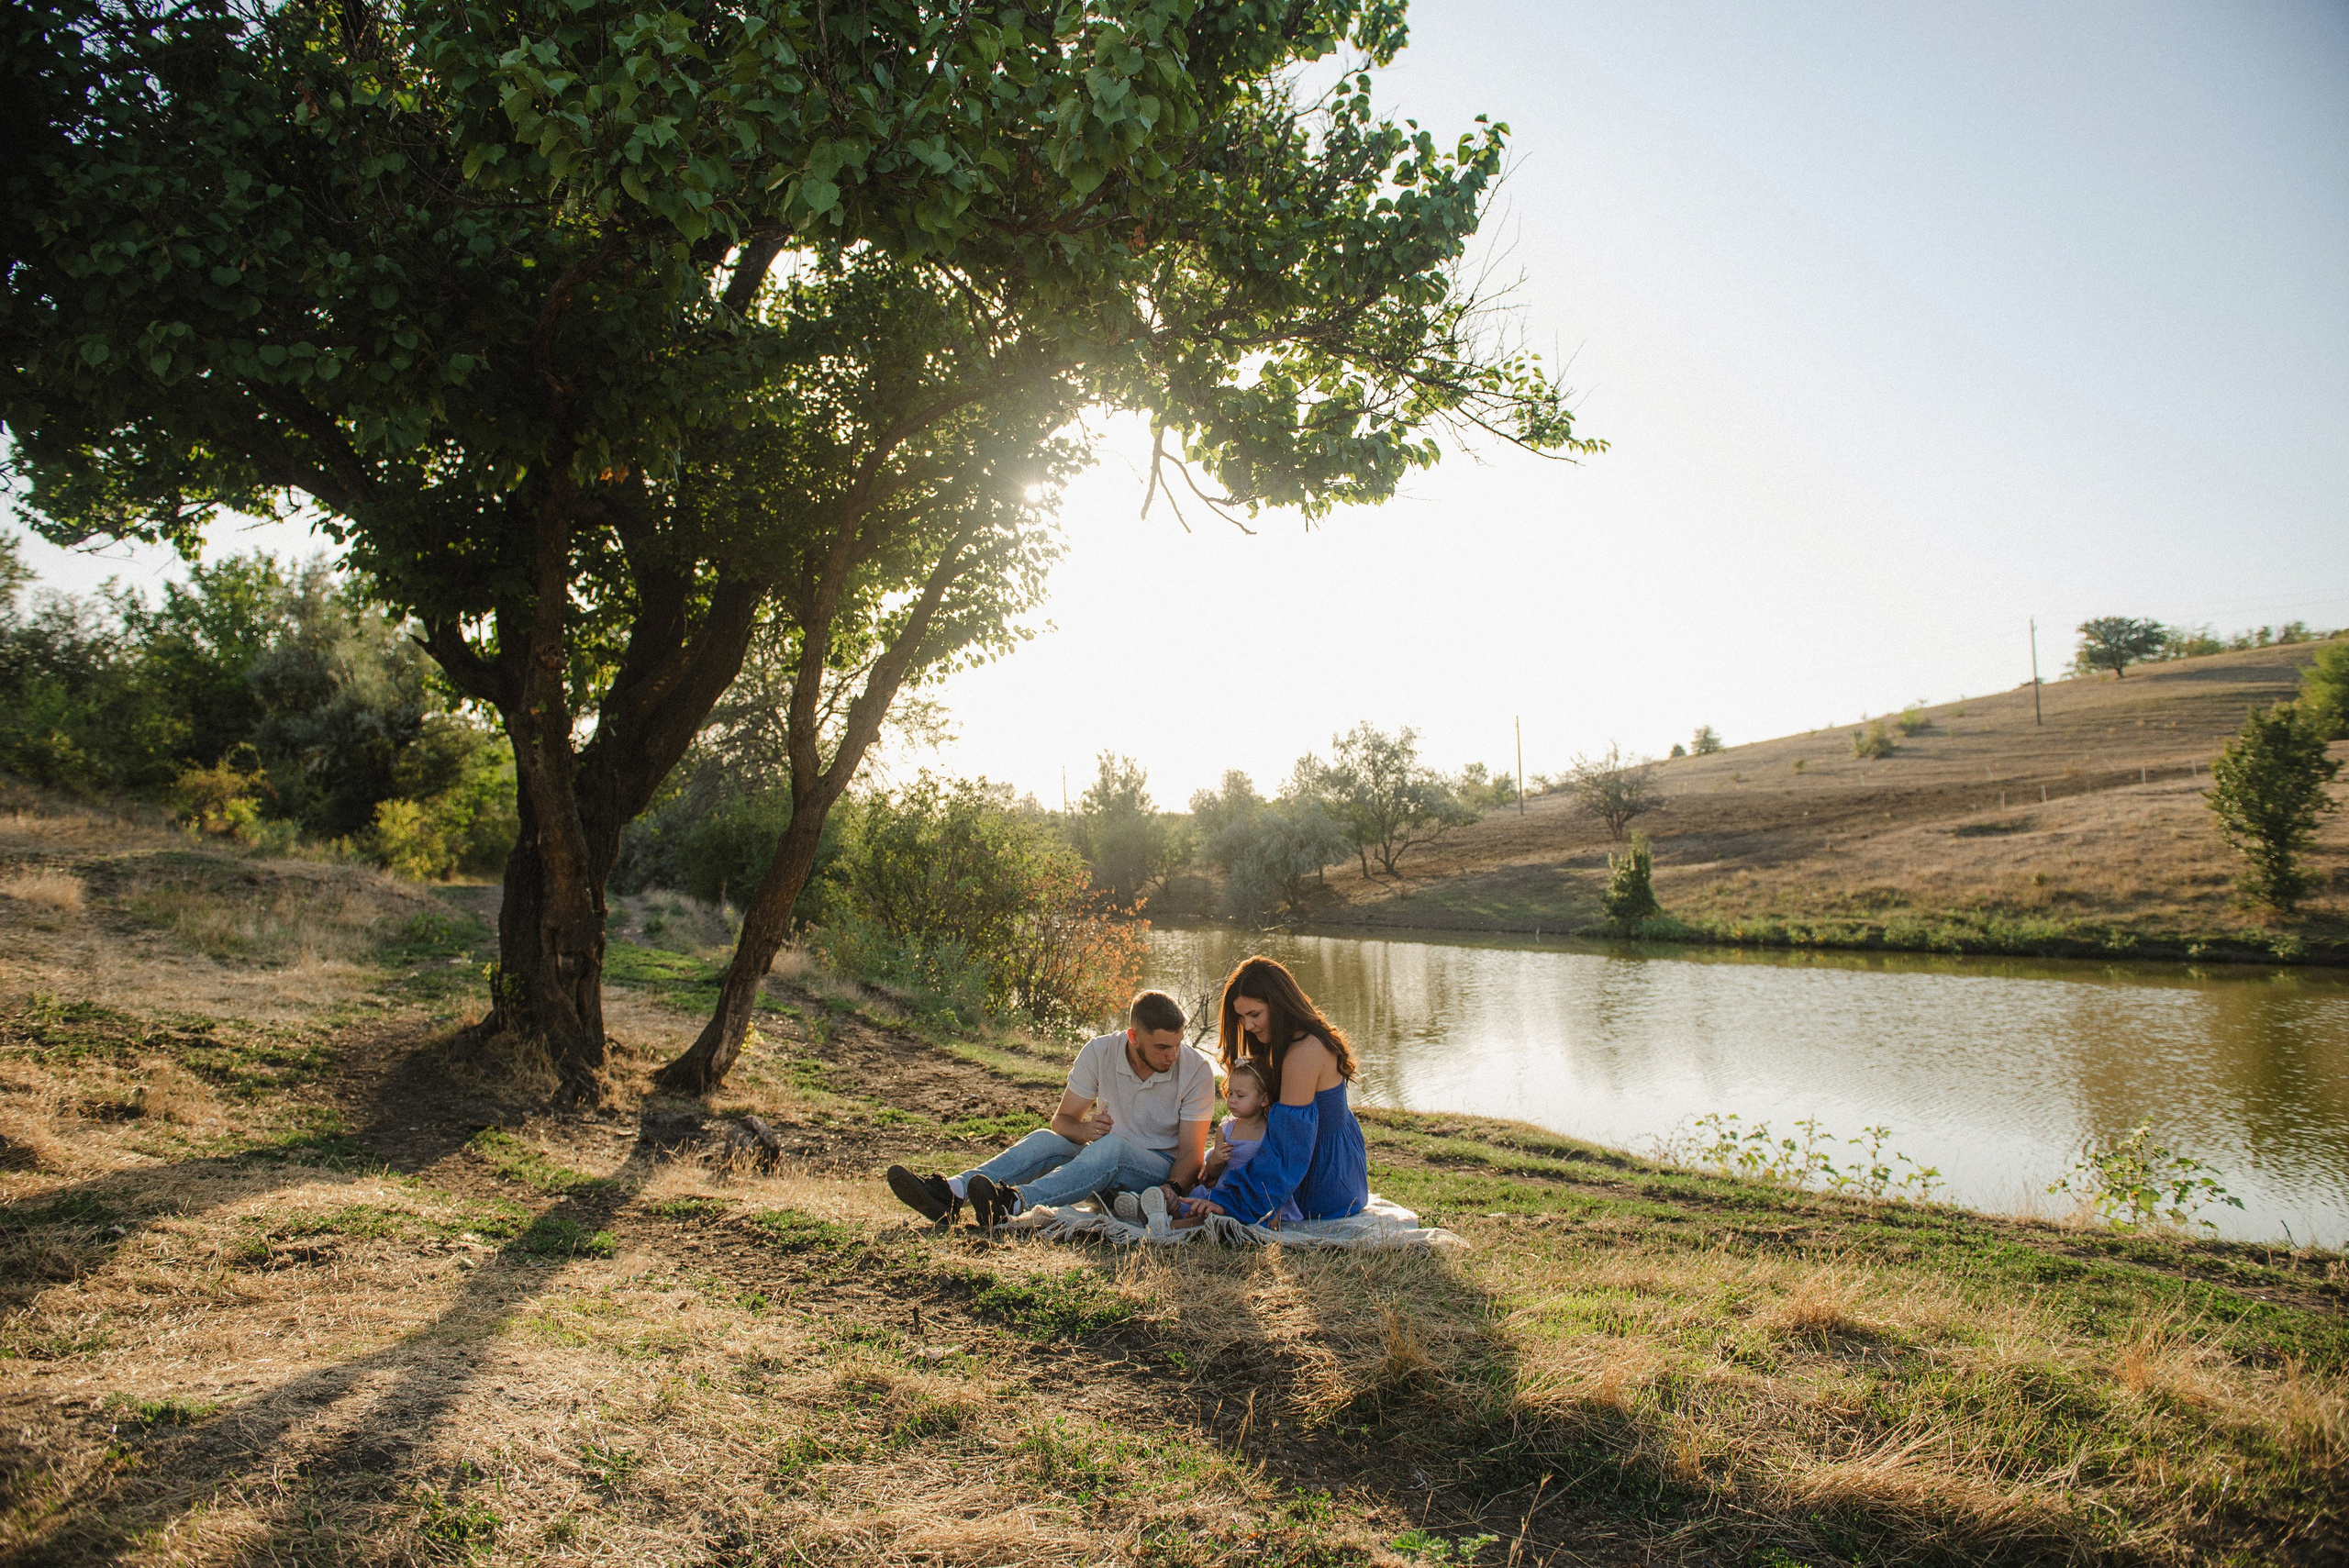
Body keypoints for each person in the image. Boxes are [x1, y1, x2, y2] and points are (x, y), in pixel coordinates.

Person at [885, 990, 1213, 1229]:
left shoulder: (1195, 1070)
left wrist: (1172, 1189)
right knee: (1047, 1140)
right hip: (1100, 1164)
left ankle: (1014, 1202)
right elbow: (1062, 1120)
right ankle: (951, 1192)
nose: (1172, 1056)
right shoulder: (1100, 1052)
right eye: (1162, 1047)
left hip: (1157, 1175)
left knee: (1112, 1147)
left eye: (1177, 1045)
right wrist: (1084, 1131)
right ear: (1133, 1036)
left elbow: (1191, 1155)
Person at [1174, 955, 1368, 1229]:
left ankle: (1199, 1215)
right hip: (1308, 1159)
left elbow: (1289, 1150)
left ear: (1280, 1005)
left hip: (1322, 1177)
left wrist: (1235, 1202)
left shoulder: (1303, 1053)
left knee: (1213, 1205)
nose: (1248, 1026)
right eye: (1241, 1017)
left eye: (1255, 1015)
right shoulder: (1286, 1041)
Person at [1179, 1058, 1300, 1228]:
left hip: (1255, 1191)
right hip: (1226, 1189)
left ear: (1263, 1099)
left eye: (1241, 1095)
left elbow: (1278, 1172)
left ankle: (1180, 1226)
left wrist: (1276, 1204)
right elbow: (1213, 1172)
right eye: (1230, 1093)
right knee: (1194, 1204)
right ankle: (1169, 1214)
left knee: (1232, 1217)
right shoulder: (1226, 1129)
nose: (1232, 1100)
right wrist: (1216, 1160)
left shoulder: (1270, 1131)